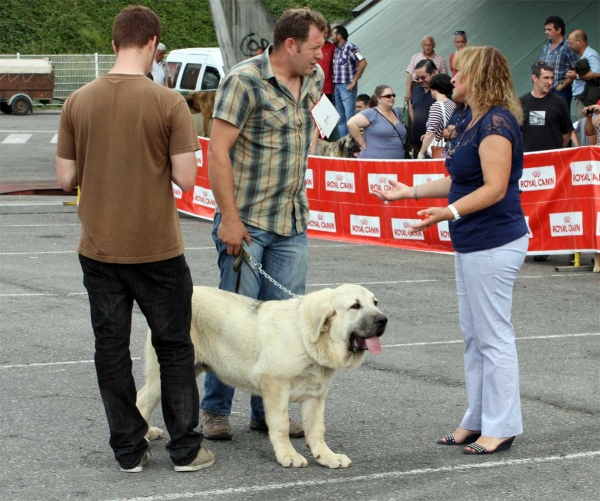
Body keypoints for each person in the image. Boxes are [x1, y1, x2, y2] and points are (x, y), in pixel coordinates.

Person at [55, 5, 213, 473]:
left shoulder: (77, 101)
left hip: (99, 247)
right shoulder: (168, 103)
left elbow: (66, 178)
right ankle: (185, 449)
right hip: (157, 248)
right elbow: (186, 178)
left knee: (111, 348)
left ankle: (128, 450)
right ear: (153, 45)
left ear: (113, 44)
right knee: (175, 347)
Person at [372, 46, 528, 456]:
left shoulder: (496, 122)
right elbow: (458, 179)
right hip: (474, 241)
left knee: (493, 337)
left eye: (458, 74)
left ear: (477, 78)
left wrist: (448, 213)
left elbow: (493, 189)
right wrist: (410, 192)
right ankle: (476, 421)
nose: (451, 79)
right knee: (475, 337)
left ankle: (502, 426)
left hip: (494, 241)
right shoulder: (469, 116)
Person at [202, 7, 326, 441]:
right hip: (248, 224)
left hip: (292, 221)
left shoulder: (313, 79)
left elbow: (318, 117)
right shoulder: (244, 80)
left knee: (286, 325)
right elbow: (217, 153)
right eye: (314, 48)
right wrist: (229, 220)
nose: (321, 56)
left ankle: (266, 412)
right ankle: (214, 410)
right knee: (234, 325)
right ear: (289, 45)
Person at [520, 61, 573, 152]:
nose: (550, 82)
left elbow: (567, 133)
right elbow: (517, 133)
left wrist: (557, 152)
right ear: (534, 78)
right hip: (529, 160)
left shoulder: (559, 102)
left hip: (552, 160)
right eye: (546, 78)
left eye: (552, 78)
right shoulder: (521, 102)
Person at [347, 85, 407, 159]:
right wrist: (362, 144)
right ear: (379, 99)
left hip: (397, 162)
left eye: (393, 95)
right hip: (376, 163)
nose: (392, 98)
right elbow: (351, 123)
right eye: (388, 96)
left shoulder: (395, 111)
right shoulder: (371, 113)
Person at [331, 25, 367, 136]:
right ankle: (343, 143)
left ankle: (351, 143)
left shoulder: (350, 47)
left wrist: (354, 81)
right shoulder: (337, 49)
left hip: (347, 86)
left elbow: (363, 62)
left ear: (339, 36)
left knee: (349, 117)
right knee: (341, 117)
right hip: (337, 85)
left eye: (333, 34)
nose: (331, 37)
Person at [540, 16, 578, 107]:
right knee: (544, 119)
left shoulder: (568, 46)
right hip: (545, 91)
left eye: (549, 29)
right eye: (546, 29)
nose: (546, 32)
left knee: (560, 119)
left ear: (558, 30)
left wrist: (562, 86)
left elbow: (577, 69)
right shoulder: (545, 48)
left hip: (560, 92)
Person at [418, 74, 456, 159]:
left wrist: (421, 154)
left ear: (434, 89)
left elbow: (430, 133)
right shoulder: (452, 104)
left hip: (439, 150)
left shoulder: (437, 106)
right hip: (450, 148)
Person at [565, 30, 600, 118]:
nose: (569, 46)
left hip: (587, 98)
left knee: (586, 126)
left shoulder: (591, 55)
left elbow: (596, 73)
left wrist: (576, 76)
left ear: (579, 42)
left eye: (571, 43)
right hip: (581, 97)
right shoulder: (582, 55)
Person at [404, 36, 448, 104]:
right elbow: (409, 75)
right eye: (425, 45)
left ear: (434, 45)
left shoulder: (440, 60)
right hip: (416, 85)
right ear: (422, 45)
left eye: (429, 45)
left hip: (433, 87)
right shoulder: (415, 57)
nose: (427, 47)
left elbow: (444, 78)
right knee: (414, 105)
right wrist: (408, 91)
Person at [317, 23, 340, 141]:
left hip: (328, 88)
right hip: (314, 88)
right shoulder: (313, 47)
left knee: (326, 118)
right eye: (323, 32)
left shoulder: (331, 48)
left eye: (327, 33)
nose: (325, 35)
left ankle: (325, 141)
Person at [409, 59, 437, 157]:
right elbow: (411, 105)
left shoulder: (442, 91)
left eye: (423, 77)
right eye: (417, 78)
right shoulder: (417, 90)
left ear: (434, 72)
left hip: (435, 146)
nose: (420, 80)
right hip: (417, 144)